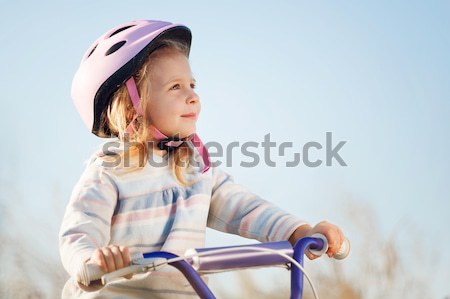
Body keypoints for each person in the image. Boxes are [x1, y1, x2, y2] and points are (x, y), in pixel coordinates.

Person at [59, 19, 345, 299]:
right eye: (175, 87)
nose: (193, 96)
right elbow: (78, 232)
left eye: (192, 84)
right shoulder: (109, 171)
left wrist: (298, 231)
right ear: (133, 105)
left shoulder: (195, 170)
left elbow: (244, 208)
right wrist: (90, 261)